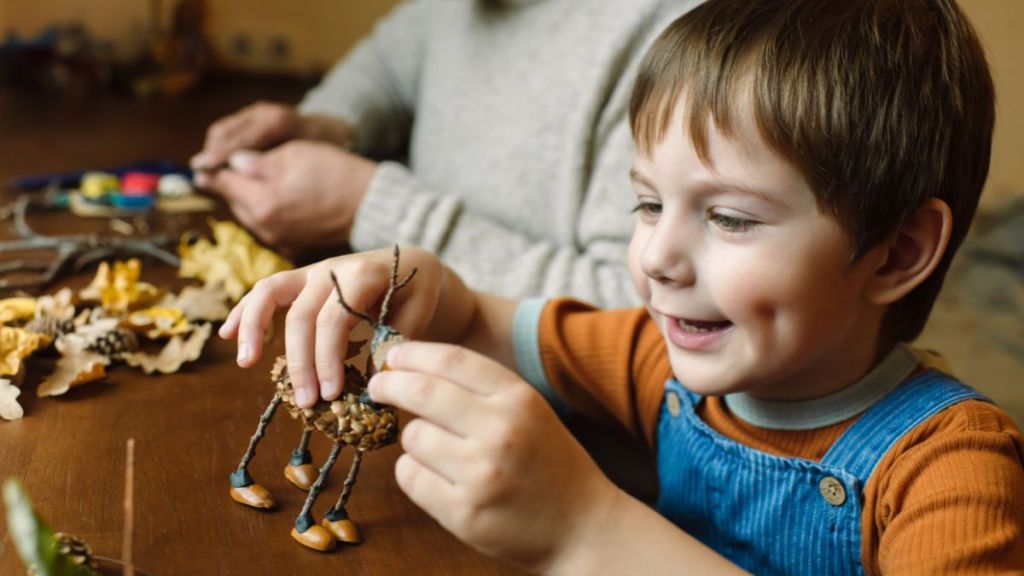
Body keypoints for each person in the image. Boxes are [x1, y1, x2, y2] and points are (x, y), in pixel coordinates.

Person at [220, 0, 1024, 573]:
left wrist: (584, 533)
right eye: (647, 203)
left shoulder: (952, 474)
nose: (657, 258)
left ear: (897, 252)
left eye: (731, 219)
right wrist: (418, 279)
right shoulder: (656, 360)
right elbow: (479, 319)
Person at [191, 0, 704, 308]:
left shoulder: (683, 35)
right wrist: (325, 124)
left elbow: (639, 315)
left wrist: (370, 208)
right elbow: (388, 67)